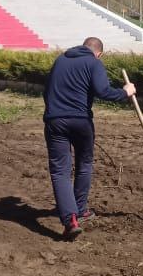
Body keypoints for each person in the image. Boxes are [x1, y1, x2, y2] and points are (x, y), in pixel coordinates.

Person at [43, 37, 136, 239]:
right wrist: (125, 92)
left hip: (54, 121)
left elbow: (46, 90)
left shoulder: (60, 60)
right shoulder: (93, 63)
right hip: (81, 121)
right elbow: (103, 91)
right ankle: (81, 208)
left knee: (60, 170)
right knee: (84, 163)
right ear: (99, 53)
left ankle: (70, 220)